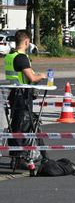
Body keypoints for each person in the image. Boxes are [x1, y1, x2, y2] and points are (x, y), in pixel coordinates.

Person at [4, 30, 46, 170]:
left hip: (14, 94)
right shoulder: (21, 58)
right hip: (22, 96)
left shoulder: (10, 56)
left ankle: (15, 156)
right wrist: (42, 76)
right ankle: (20, 156)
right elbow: (32, 78)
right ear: (26, 41)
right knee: (22, 125)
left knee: (16, 125)